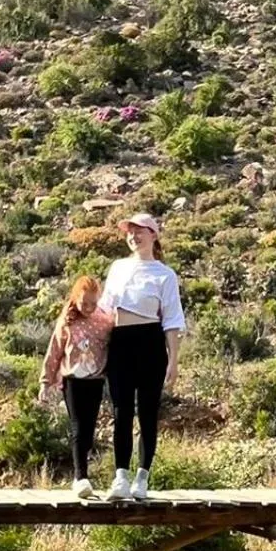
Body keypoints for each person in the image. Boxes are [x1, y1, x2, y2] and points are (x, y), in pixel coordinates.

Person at [100, 212, 185, 501]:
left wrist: (173, 361)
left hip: (150, 342)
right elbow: (103, 309)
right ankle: (120, 477)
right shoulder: (118, 267)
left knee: (147, 413)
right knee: (121, 412)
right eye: (130, 232)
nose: (133, 236)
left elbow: (172, 320)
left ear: (153, 235)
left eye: (140, 231)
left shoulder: (164, 274)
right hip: (120, 341)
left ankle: (142, 478)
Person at [39, 274, 113, 499]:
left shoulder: (105, 320)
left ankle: (82, 474)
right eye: (84, 303)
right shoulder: (68, 320)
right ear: (75, 298)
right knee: (78, 427)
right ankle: (80, 478)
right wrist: (45, 382)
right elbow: (55, 350)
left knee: (89, 430)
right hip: (72, 381)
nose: (89, 308)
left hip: (95, 380)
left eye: (93, 303)